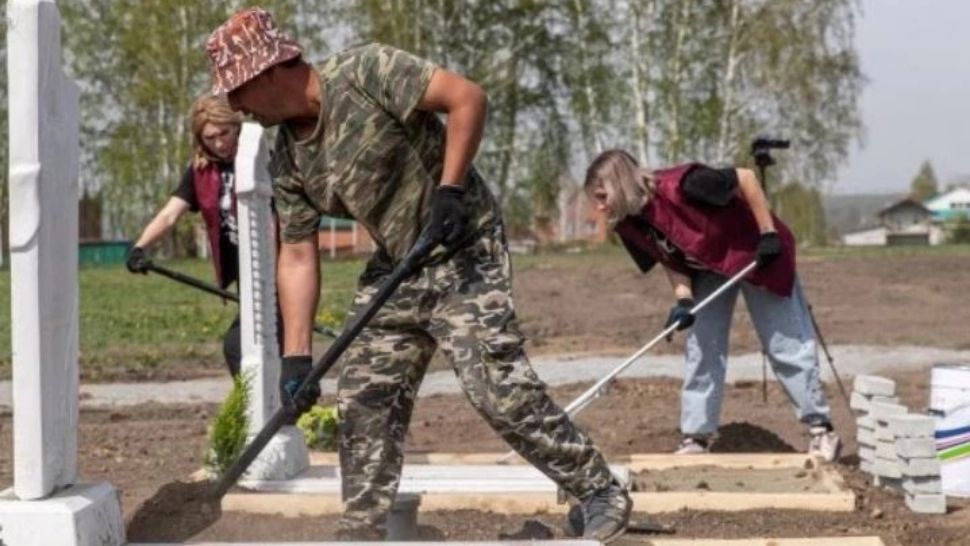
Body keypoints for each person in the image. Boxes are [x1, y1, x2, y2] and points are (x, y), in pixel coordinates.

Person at [205, 7, 630, 542]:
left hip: (462, 242)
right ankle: (361, 531)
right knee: (364, 394)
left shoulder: (365, 71)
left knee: (493, 385)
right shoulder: (288, 159)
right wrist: (296, 358)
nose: (236, 105)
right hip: (399, 266)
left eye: (238, 89)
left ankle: (599, 490)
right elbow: (296, 254)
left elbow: (467, 97)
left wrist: (450, 189)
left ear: (268, 71)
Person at [583, 149, 841, 462]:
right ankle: (696, 436)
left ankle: (821, 429)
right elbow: (670, 260)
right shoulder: (629, 224)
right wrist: (683, 300)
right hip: (710, 267)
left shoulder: (687, 185)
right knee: (702, 345)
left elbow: (746, 178)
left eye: (602, 196)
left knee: (783, 342)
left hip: (757, 253)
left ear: (621, 182)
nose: (599, 207)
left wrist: (768, 233)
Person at [125, 95, 246, 378]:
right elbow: (170, 214)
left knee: (239, 346)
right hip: (246, 275)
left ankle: (272, 403)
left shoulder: (262, 159)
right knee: (239, 347)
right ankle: (265, 403)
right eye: (210, 138)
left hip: (279, 268)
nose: (219, 143)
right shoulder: (202, 172)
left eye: (224, 133)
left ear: (237, 126)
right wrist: (140, 246)